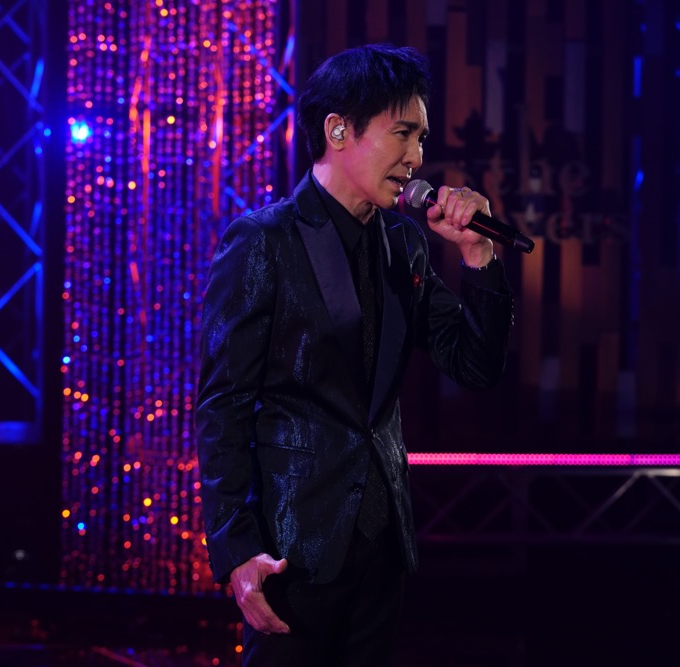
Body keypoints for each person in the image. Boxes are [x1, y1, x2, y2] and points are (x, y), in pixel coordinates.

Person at [195, 43, 514, 666]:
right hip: (293, 551)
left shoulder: (404, 245)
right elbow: (223, 406)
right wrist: (237, 549)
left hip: (382, 547)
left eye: (421, 139)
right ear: (338, 130)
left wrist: (479, 257)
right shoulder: (264, 240)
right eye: (403, 133)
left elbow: (476, 366)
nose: (416, 158)